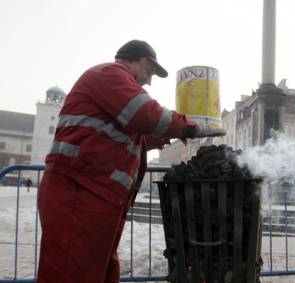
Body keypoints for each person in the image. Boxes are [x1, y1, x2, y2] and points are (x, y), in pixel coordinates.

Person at [36, 39, 225, 283]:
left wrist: (174, 133)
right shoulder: (109, 74)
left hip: (95, 195)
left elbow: (137, 135)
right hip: (78, 192)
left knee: (98, 270)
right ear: (134, 60)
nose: (149, 80)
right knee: (71, 272)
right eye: (149, 71)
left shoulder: (113, 93)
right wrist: (189, 126)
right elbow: (143, 113)